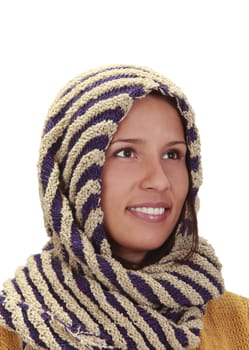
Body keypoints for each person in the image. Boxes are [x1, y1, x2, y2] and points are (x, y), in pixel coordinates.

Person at [0, 64, 248, 349]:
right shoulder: (15, 327)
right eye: (126, 152)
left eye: (172, 154)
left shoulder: (242, 324)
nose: (159, 180)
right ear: (73, 172)